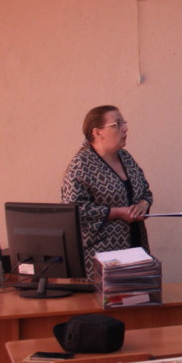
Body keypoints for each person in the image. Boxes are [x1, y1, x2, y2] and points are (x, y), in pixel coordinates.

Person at [62, 105, 153, 279]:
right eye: (117, 124)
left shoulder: (126, 157)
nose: (125, 128)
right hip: (104, 258)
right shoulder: (81, 165)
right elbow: (73, 210)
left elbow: (146, 192)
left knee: (140, 295)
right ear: (97, 132)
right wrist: (117, 212)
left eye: (124, 123)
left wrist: (143, 205)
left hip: (136, 250)